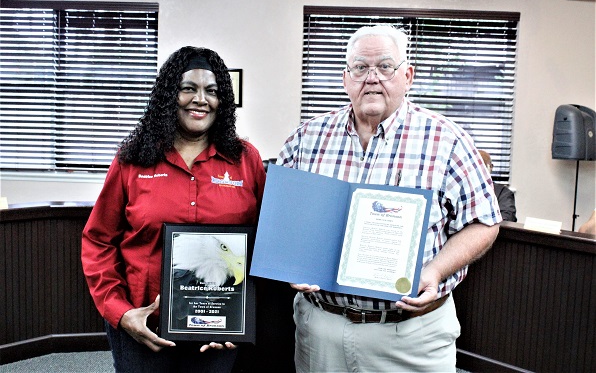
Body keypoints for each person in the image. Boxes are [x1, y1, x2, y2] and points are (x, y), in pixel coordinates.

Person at [277, 25, 501, 372]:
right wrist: (291, 261)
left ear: (407, 75)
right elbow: (283, 218)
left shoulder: (448, 140)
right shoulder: (306, 138)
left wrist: (435, 270)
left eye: (385, 67)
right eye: (360, 68)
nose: (372, 78)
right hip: (320, 331)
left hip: (409, 337)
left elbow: (484, 223)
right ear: (345, 78)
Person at [81, 46, 266, 373]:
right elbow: (98, 241)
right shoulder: (134, 159)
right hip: (143, 325)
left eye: (212, 91)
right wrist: (121, 313)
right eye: (188, 88)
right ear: (169, 94)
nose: (200, 99)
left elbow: (266, 241)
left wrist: (240, 316)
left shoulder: (245, 159)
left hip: (218, 326)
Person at [479, 149, 518, 222]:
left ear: (491, 167)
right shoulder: (460, 191)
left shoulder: (504, 193)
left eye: (483, 165)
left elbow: (507, 218)